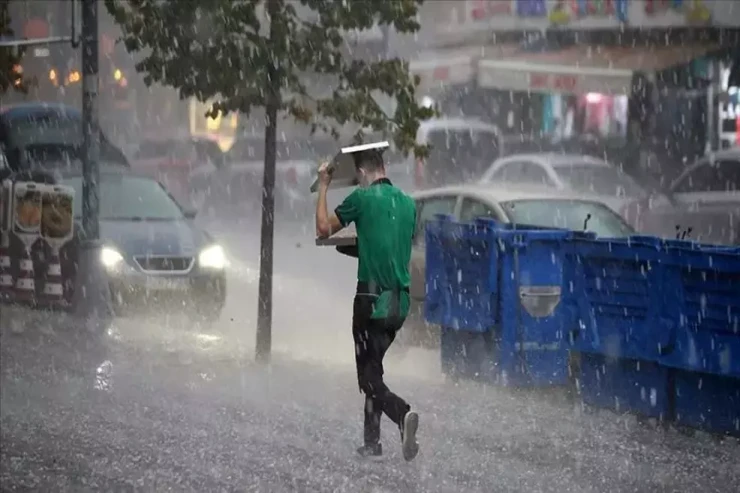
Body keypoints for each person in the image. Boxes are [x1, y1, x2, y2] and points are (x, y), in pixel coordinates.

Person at [315, 147, 419, 461]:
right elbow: (388, 247)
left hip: (370, 301)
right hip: (398, 305)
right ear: (383, 167)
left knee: (368, 378)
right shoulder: (408, 204)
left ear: (361, 173)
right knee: (373, 367)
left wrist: (323, 185)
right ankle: (372, 442)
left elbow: (323, 228)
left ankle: (402, 414)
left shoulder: (361, 199)